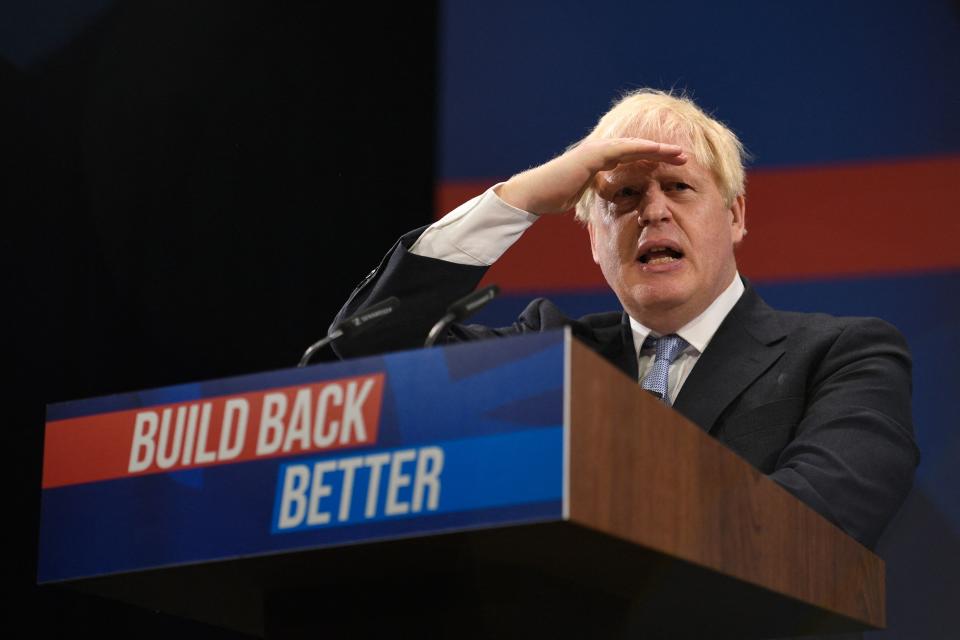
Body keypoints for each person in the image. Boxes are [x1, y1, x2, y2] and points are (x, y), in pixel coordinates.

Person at [332, 88, 918, 550]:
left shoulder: (844, 355)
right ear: (593, 237)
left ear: (735, 215)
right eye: (624, 196)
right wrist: (520, 199)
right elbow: (368, 352)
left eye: (679, 187)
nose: (653, 211)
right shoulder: (549, 353)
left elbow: (812, 522)